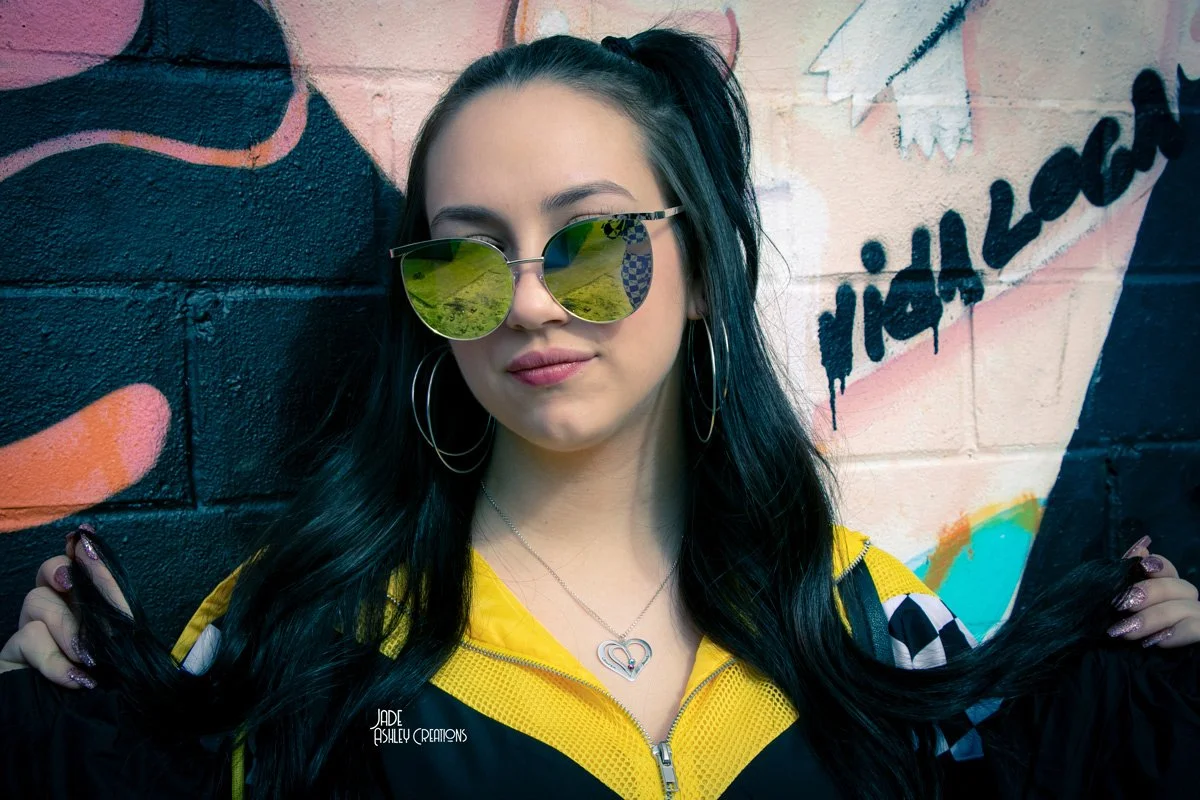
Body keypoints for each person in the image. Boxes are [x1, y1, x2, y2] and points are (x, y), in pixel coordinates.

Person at [2, 28, 1199, 800]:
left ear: (697, 276)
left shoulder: (872, 617)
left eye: (593, 245)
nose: (526, 302)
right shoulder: (298, 640)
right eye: (465, 263)